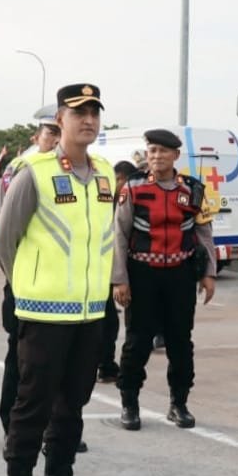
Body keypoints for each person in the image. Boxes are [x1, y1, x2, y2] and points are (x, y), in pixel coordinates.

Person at [0, 83, 115, 476]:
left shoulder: (105, 174)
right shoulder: (35, 172)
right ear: (59, 120)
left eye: (94, 113)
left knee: (74, 402)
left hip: (90, 311)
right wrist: (27, 285)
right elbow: (6, 241)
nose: (88, 121)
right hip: (43, 312)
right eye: (79, 113)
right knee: (33, 403)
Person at [113, 130, 217, 430]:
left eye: (163, 151)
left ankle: (178, 403)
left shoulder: (193, 189)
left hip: (180, 275)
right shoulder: (133, 187)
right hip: (142, 274)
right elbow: (119, 234)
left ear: (175, 156)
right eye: (152, 150)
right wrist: (119, 279)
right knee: (137, 342)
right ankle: (129, 404)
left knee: (180, 342)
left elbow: (204, 232)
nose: (156, 156)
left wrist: (208, 273)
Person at [0, 106, 62, 434]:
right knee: (22, 358)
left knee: (59, 362)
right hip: (26, 283)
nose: (57, 139)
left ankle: (53, 426)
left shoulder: (78, 170)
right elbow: (6, 237)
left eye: (61, 132)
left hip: (64, 286)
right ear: (37, 136)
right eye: (51, 132)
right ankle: (13, 423)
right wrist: (18, 279)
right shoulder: (23, 168)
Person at [97, 159, 138, 385]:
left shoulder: (129, 201)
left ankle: (108, 365)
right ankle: (105, 365)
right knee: (107, 321)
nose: (116, 183)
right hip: (104, 270)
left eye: (120, 179)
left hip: (121, 269)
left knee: (114, 322)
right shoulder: (106, 202)